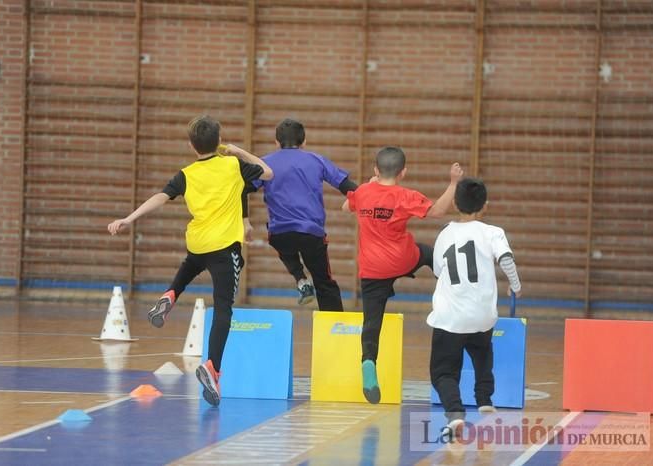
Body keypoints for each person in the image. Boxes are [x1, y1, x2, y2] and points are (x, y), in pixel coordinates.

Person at [107, 115, 273, 406]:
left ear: (190, 145)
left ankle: (171, 294)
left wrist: (129, 218)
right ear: (219, 141)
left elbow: (160, 197)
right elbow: (268, 173)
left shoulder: (186, 174)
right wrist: (237, 151)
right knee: (223, 309)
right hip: (224, 247)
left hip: (198, 242)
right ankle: (213, 368)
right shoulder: (233, 165)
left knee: (192, 264)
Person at [342, 146, 463, 403]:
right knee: (431, 254)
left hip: (372, 269)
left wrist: (368, 184)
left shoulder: (363, 192)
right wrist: (453, 183)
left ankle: (368, 363)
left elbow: (345, 207)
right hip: (402, 259)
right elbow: (439, 211)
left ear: (376, 170)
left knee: (372, 323)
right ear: (403, 173)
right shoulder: (404, 196)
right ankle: (457, 291)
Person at [428, 177, 522, 439]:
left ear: (455, 203)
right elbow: (506, 259)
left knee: (443, 371)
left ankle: (455, 413)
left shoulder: (445, 233)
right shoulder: (493, 232)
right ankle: (484, 398)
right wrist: (515, 285)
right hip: (482, 315)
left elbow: (438, 271)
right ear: (485, 206)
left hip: (450, 316)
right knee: (482, 352)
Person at [248, 118, 357, 310]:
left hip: (280, 234)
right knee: (324, 282)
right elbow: (346, 187)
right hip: (311, 234)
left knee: (282, 242)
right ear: (303, 142)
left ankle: (300, 280)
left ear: (276, 142)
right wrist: (369, 197)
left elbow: (243, 189)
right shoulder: (316, 160)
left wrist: (243, 220)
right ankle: (334, 331)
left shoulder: (264, 164)